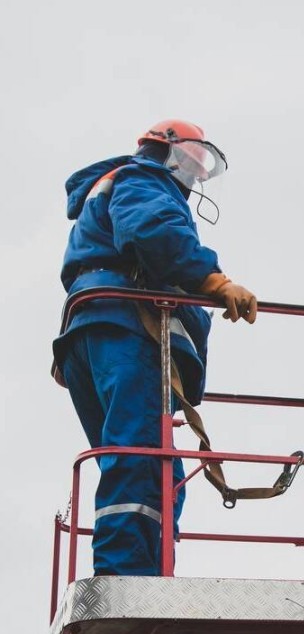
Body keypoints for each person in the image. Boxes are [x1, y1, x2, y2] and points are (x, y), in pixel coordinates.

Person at [54, 119, 258, 576]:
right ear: (166, 151)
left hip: (95, 328)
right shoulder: (143, 178)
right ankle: (127, 573)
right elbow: (154, 234)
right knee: (142, 456)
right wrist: (214, 281)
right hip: (129, 326)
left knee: (152, 463)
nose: (193, 175)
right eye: (190, 162)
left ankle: (144, 567)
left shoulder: (110, 187)